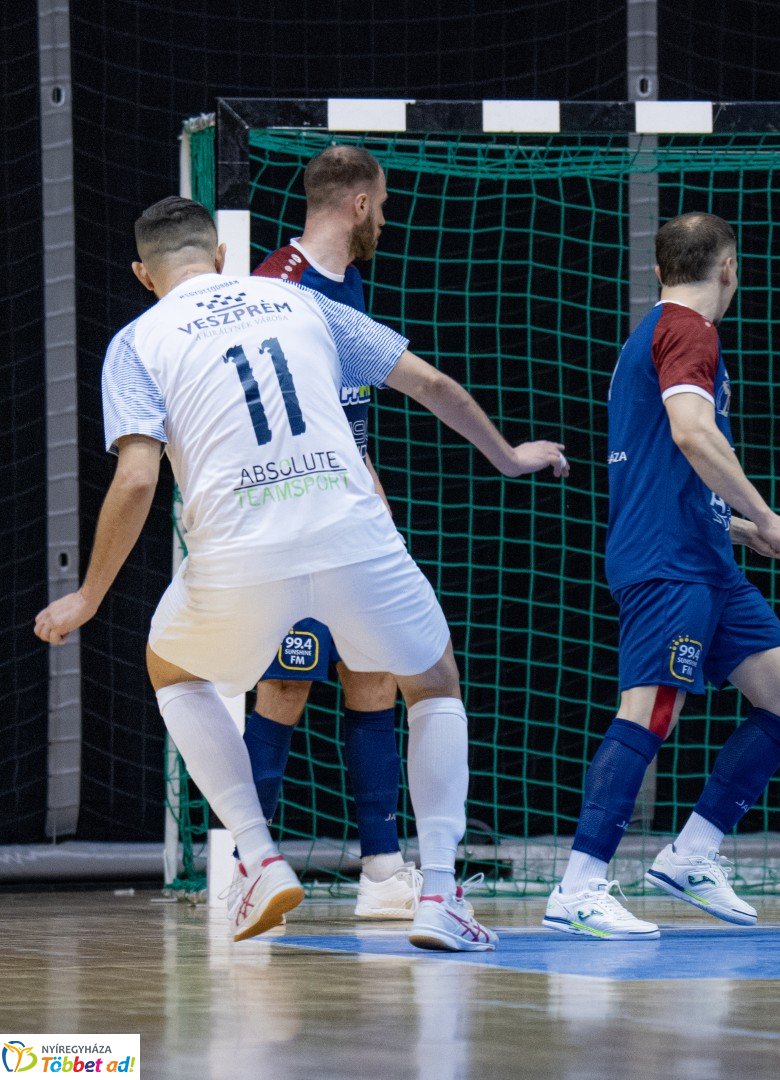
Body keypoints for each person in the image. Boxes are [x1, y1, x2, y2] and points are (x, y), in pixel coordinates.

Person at [34, 196, 569, 949]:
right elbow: (430, 384)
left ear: (142, 275)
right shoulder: (298, 300)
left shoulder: (137, 340)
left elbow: (136, 480)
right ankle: (440, 893)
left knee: (173, 668)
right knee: (433, 680)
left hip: (240, 551)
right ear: (221, 254)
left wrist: (90, 596)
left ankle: (257, 855)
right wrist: (510, 456)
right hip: (352, 531)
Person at [543, 212, 780, 940]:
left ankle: (693, 851)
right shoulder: (687, 332)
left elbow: (668, 471)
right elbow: (693, 435)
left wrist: (734, 529)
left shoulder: (657, 336)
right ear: (728, 268)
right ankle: (579, 884)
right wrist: (765, 514)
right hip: (667, 563)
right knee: (652, 710)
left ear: (661, 267)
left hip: (705, 554)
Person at [240, 145, 416, 920]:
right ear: (356, 203)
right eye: (382, 202)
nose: (387, 215)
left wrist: (375, 501)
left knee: (376, 677)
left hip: (353, 520)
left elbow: (351, 421)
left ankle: (382, 873)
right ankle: (248, 864)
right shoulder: (273, 285)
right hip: (291, 527)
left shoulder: (352, 285)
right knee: (285, 684)